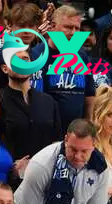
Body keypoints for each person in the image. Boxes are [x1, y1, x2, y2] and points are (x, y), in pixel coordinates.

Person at [0, 49, 62, 189]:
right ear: (5, 68)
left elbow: (57, 141)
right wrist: (11, 167)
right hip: (9, 184)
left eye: (25, 59)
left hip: (46, 181)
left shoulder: (48, 101)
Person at [30, 5, 96, 134]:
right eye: (68, 27)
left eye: (77, 28)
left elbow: (89, 94)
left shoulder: (81, 55)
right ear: (53, 26)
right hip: (46, 131)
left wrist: (89, 122)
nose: (73, 32)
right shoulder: (36, 54)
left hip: (76, 132)